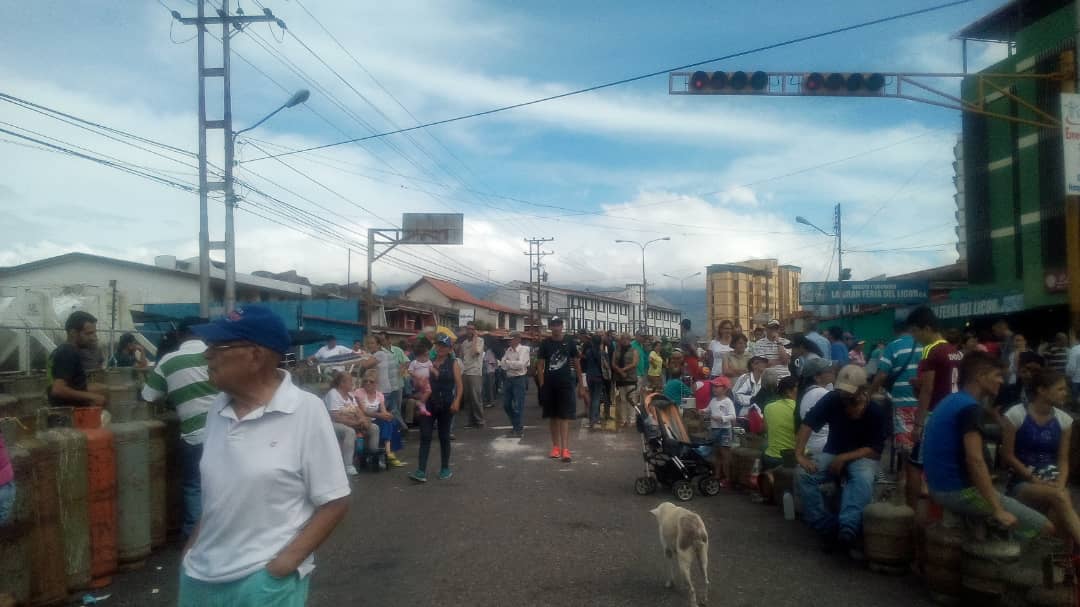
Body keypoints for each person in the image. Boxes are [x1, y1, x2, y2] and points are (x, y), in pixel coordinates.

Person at [181, 305, 349, 606]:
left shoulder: (305, 410)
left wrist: (280, 568)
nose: (208, 355)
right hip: (198, 579)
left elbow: (334, 501)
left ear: (256, 356)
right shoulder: (217, 409)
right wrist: (190, 552)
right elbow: (219, 495)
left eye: (219, 347)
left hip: (262, 584)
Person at [923, 352, 1052, 542]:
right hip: (957, 492)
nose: (1001, 381)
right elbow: (974, 460)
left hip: (937, 487)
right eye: (997, 376)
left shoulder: (950, 400)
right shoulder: (969, 408)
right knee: (1046, 528)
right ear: (980, 377)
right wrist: (998, 510)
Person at [141, 318, 217, 539]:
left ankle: (195, 538)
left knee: (194, 485)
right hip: (225, 432)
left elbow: (149, 397)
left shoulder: (168, 361)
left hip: (194, 436)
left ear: (180, 336)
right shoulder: (216, 356)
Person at [795, 365, 885, 554]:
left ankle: (848, 528)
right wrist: (799, 455)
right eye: (842, 391)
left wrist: (845, 457)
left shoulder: (875, 410)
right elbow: (808, 423)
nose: (845, 396)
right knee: (803, 474)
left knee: (862, 479)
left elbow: (876, 450)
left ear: (862, 389)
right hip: (833, 452)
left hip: (863, 456)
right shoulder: (833, 399)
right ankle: (826, 526)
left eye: (849, 393)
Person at [1001, 368, 1080, 544]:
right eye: (1060, 389)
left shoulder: (1064, 420)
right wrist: (1034, 479)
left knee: (1062, 496)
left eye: (1065, 389)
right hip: (1022, 482)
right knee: (1061, 497)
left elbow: (1063, 459)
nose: (1065, 393)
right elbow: (1007, 455)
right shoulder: (1016, 414)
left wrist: (1060, 483)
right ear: (1041, 390)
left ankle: (1059, 553)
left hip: (1052, 481)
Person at [908, 306, 963, 496]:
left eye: (915, 331)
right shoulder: (954, 351)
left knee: (916, 465)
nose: (914, 337)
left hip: (934, 415)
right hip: (954, 414)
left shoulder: (930, 350)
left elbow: (928, 389)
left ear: (927, 328)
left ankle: (917, 514)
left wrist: (918, 424)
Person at [869, 320, 923, 506]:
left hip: (902, 403)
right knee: (921, 446)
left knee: (906, 450)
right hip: (925, 403)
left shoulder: (894, 346)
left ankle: (905, 484)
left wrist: (869, 393)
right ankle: (918, 483)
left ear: (896, 331)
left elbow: (882, 374)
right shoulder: (924, 345)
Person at [409, 334, 462, 482]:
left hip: (446, 404)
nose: (441, 348)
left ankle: (445, 468)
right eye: (439, 345)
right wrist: (417, 383)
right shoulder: (428, 362)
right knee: (425, 435)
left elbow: (459, 385)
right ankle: (421, 471)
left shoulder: (454, 363)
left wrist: (457, 400)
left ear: (450, 348)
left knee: (444, 436)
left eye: (444, 346)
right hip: (429, 403)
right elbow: (420, 381)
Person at [538, 317, 586, 463]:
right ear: (550, 327)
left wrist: (581, 385)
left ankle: (565, 449)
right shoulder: (545, 343)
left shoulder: (570, 342)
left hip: (566, 384)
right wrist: (542, 386)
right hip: (549, 385)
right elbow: (540, 366)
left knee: (564, 416)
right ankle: (555, 447)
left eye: (559, 325)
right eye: (554, 325)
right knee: (553, 417)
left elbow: (577, 364)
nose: (556, 328)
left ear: (562, 327)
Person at [323, 372, 378, 477]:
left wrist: (363, 420)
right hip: (332, 424)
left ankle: (372, 456)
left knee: (374, 428)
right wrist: (355, 423)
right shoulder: (333, 394)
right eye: (350, 381)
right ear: (342, 383)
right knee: (350, 431)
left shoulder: (350, 395)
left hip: (351, 422)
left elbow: (358, 411)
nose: (352, 383)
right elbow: (335, 416)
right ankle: (348, 465)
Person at [48, 311, 108, 407]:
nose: (93, 338)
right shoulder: (67, 352)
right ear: (73, 333)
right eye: (88, 333)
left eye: (94, 333)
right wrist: (92, 397)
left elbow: (71, 385)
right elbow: (58, 390)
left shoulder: (61, 350)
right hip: (70, 414)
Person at [759, 376, 799, 503]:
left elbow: (765, 429)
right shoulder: (798, 408)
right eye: (798, 388)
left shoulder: (769, 407)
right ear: (788, 391)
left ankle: (769, 478)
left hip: (770, 456)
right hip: (790, 457)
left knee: (765, 448)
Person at [356, 374, 406, 468]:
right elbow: (364, 411)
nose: (368, 383)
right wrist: (381, 415)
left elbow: (383, 411)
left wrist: (388, 415)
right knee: (389, 423)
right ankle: (388, 453)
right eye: (365, 381)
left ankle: (387, 452)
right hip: (365, 419)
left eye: (371, 381)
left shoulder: (379, 394)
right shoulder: (359, 392)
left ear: (376, 384)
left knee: (390, 421)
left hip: (375, 419)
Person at [798, 357, 835, 456]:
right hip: (824, 446)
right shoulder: (822, 393)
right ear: (817, 377)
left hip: (813, 445)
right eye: (828, 370)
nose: (832, 371)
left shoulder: (808, 392)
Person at [705, 376, 736, 487]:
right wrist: (702, 411)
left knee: (725, 454)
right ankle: (717, 475)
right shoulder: (713, 400)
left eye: (717, 386)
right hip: (714, 429)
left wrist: (722, 418)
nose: (714, 388)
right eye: (713, 386)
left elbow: (733, 416)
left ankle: (727, 478)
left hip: (724, 430)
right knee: (717, 453)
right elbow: (708, 409)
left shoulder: (728, 402)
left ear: (725, 389)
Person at [500, 331, 530, 437]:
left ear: (518, 339)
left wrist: (508, 363)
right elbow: (502, 365)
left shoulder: (524, 349)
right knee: (506, 405)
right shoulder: (508, 350)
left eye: (511, 339)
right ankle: (516, 425)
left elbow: (521, 364)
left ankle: (518, 428)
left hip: (519, 379)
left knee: (518, 405)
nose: (509, 341)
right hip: (509, 379)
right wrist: (510, 363)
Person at [379, 332, 410, 431]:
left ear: (388, 340)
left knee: (397, 408)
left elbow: (406, 362)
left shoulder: (397, 350)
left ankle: (397, 428)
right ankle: (402, 427)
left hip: (398, 384)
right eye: (379, 341)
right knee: (387, 408)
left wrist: (403, 367)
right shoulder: (380, 352)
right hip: (384, 386)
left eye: (383, 340)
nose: (381, 342)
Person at [458, 322, 486, 429]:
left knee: (476, 397)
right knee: (467, 398)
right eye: (468, 329)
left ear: (475, 330)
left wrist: (475, 337)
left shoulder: (480, 341)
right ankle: (470, 421)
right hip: (465, 371)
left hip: (475, 372)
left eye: (472, 329)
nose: (469, 331)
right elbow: (461, 357)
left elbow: (475, 352)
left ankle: (480, 420)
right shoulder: (464, 343)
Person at [612, 333, 640, 429]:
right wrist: (620, 371)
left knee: (631, 399)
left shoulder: (634, 350)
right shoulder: (617, 350)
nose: (624, 340)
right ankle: (623, 420)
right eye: (623, 338)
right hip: (620, 378)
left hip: (630, 378)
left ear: (629, 340)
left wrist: (623, 370)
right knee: (622, 400)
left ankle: (632, 420)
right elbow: (613, 363)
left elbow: (634, 363)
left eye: (626, 339)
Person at [581, 334, 607, 430]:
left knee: (592, 397)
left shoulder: (588, 351)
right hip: (599, 377)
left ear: (592, 342)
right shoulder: (602, 353)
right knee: (596, 398)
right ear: (600, 342)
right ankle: (595, 419)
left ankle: (592, 419)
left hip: (590, 376)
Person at [408, 342, 434, 418]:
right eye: (426, 355)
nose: (428, 357)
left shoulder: (428, 362)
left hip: (426, 381)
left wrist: (435, 371)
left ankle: (422, 407)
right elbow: (410, 371)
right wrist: (417, 376)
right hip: (418, 381)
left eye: (427, 355)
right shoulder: (414, 363)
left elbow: (431, 368)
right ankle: (421, 403)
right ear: (419, 356)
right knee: (428, 390)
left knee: (426, 393)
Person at [483, 343, 498, 408]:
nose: (483, 347)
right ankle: (490, 401)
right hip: (489, 372)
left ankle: (491, 402)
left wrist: (488, 364)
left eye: (484, 345)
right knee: (489, 387)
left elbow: (493, 362)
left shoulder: (489, 351)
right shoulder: (488, 351)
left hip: (490, 372)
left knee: (490, 388)